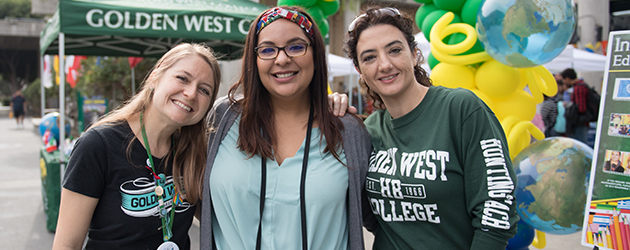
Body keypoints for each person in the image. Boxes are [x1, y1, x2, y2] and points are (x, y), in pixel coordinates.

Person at [343, 6, 518, 249]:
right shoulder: (368, 130)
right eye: (369, 57)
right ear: (359, 70)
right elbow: (373, 217)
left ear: (414, 54)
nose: (384, 65)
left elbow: (497, 211)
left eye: (394, 50)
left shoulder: (461, 110)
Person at [199, 6, 372, 250]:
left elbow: (383, 217)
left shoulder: (347, 130)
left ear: (315, 54)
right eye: (268, 50)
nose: (282, 59)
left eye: (296, 46)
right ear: (254, 59)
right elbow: (191, 194)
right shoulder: (223, 117)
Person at [52, 43, 221, 250]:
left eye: (204, 90)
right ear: (154, 78)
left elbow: (221, 219)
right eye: (182, 78)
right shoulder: (98, 145)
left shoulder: (193, 153)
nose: (191, 93)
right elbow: (66, 245)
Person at [561, 68, 590, 144]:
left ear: (567, 78)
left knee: (579, 146)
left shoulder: (579, 88)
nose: (563, 82)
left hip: (578, 123)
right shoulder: (582, 85)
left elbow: (581, 108)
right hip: (581, 123)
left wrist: (569, 106)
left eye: (564, 80)